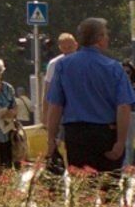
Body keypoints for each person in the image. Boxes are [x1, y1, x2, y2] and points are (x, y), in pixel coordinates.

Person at [44, 18, 132, 179]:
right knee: (109, 190)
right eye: (105, 35)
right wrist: (120, 142)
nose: (108, 38)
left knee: (82, 189)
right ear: (99, 39)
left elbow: (55, 106)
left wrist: (51, 138)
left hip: (76, 135)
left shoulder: (64, 66)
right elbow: (123, 107)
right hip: (107, 134)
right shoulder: (113, 68)